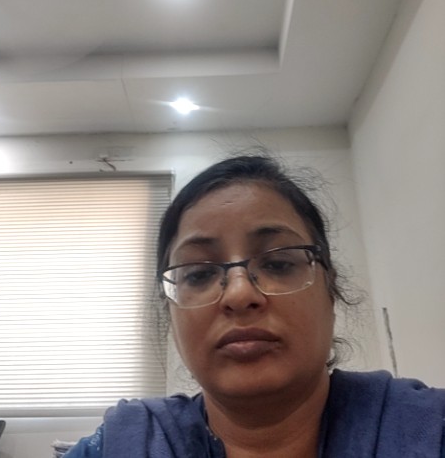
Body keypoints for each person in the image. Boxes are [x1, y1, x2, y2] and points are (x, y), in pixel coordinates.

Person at [63, 155, 445, 458]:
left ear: (331, 291)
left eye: (278, 263)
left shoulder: (429, 428)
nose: (238, 295)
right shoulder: (121, 445)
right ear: (171, 314)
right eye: (199, 273)